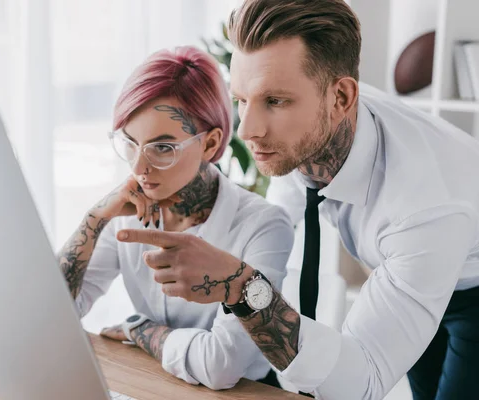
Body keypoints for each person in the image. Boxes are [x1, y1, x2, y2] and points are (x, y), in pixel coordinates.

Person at [115, 1, 479, 399]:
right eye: (241, 99)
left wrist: (243, 288)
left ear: (341, 98)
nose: (248, 130)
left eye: (275, 101)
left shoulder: (423, 208)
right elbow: (266, 228)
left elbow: (364, 384)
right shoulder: (310, 125)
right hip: (417, 264)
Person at [57, 45, 295, 390]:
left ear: (211, 145)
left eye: (163, 148)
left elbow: (220, 367)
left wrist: (140, 330)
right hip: (157, 384)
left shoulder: (263, 227)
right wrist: (93, 220)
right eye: (130, 143)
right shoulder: (127, 214)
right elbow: (53, 318)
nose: (139, 168)